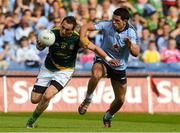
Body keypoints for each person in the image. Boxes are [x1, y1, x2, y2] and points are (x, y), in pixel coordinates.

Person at [26, 16, 119, 128]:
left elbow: (95, 48)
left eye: (67, 29)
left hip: (65, 71)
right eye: (62, 27)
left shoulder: (77, 39)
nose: (63, 31)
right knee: (34, 99)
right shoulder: (51, 33)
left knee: (47, 96)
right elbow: (39, 48)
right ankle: (39, 107)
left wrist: (108, 59)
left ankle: (31, 121)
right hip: (48, 68)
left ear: (73, 29)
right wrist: (39, 44)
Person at [78, 8, 140, 128]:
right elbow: (85, 26)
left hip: (119, 66)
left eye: (117, 20)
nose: (113, 22)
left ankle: (108, 115)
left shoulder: (131, 32)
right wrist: (82, 38)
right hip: (103, 59)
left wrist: (130, 46)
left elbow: (136, 53)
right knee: (96, 74)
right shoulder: (107, 24)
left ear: (125, 21)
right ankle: (88, 99)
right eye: (113, 19)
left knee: (120, 100)